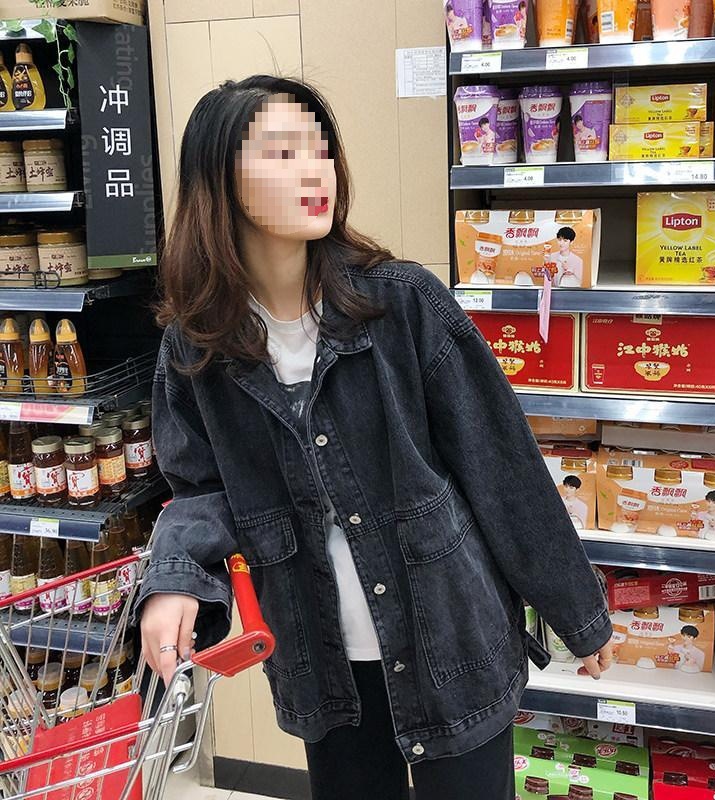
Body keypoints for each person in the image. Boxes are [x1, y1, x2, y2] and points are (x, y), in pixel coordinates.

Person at [136, 75, 612, 800]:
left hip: (451, 641)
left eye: (320, 150)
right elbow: (199, 488)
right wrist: (175, 579)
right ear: (218, 184)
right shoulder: (196, 348)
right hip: (322, 664)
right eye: (282, 153)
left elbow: (499, 462)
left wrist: (578, 609)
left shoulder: (402, 303)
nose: (315, 170)